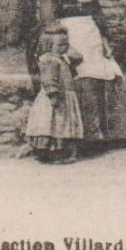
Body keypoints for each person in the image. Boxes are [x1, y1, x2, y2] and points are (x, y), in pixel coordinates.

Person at [31, 0, 126, 150]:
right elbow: (49, 20)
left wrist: (104, 39)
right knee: (85, 79)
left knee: (110, 75)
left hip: (92, 36)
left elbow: (97, 14)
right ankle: (87, 136)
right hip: (71, 37)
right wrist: (67, 46)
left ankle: (111, 133)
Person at [24, 26, 84, 164]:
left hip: (66, 97)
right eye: (60, 45)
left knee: (61, 125)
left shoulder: (62, 59)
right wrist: (53, 94)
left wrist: (69, 49)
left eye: (66, 44)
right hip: (55, 98)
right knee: (54, 124)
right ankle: (51, 152)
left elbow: (79, 58)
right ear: (48, 45)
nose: (64, 48)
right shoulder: (49, 60)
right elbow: (49, 79)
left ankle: (62, 151)